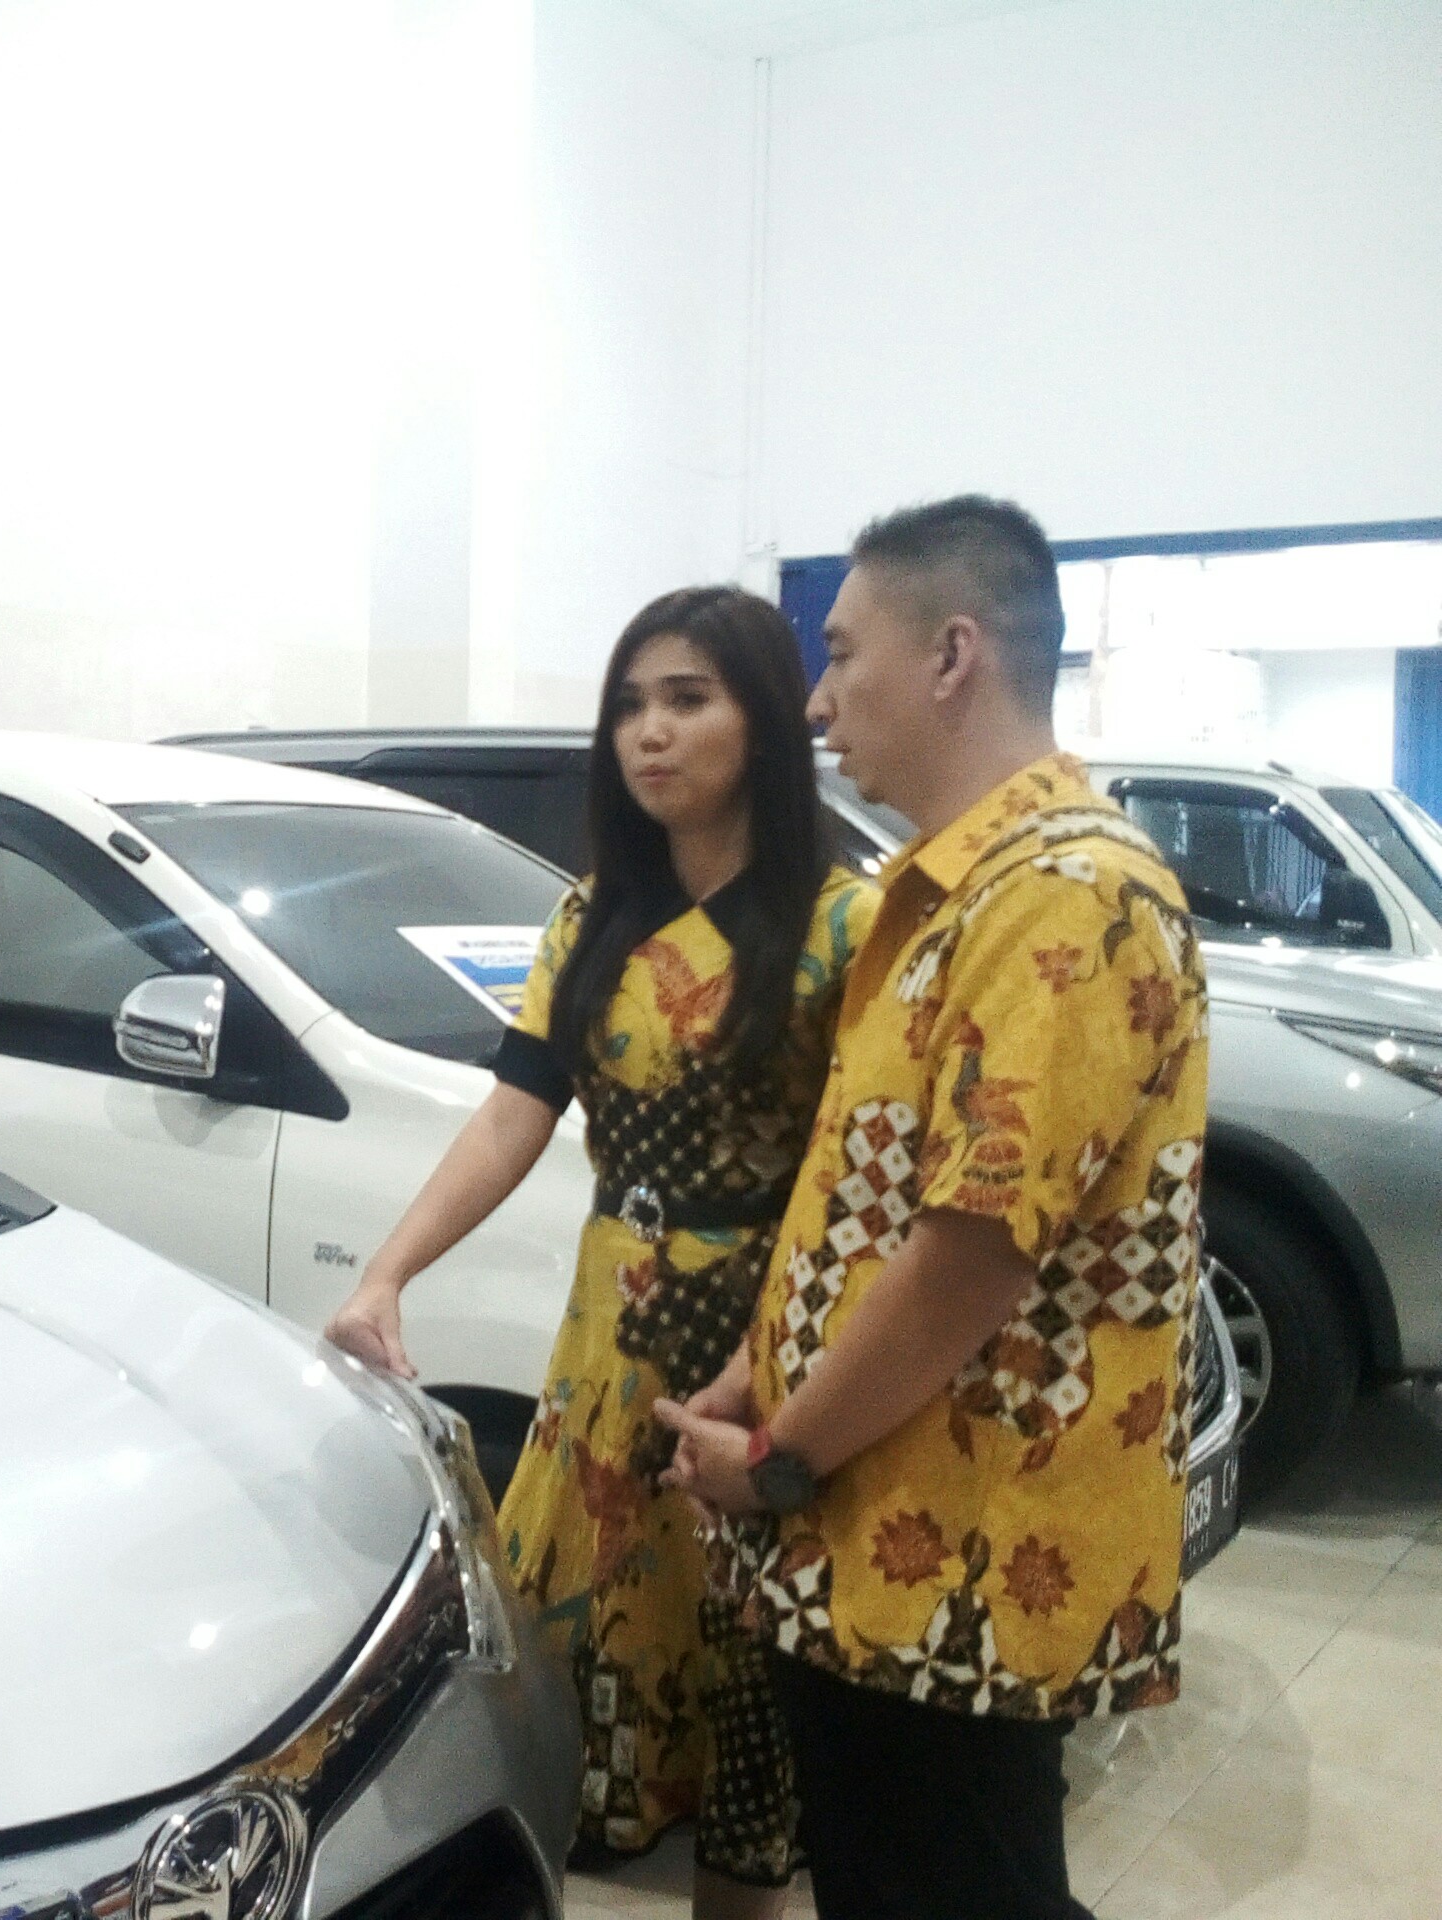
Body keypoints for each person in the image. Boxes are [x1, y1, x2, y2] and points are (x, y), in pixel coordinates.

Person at [656, 498, 1210, 1920]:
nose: (819, 699)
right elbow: (873, 1187)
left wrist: (780, 1458)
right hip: (890, 1534)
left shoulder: (1067, 896)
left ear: (954, 655)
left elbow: (971, 1256)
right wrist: (759, 1369)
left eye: (843, 654)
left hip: (962, 1559)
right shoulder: (959, 891)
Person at [326, 585, 878, 1920]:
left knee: (745, 1703)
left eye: (688, 699)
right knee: (571, 1675)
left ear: (763, 720)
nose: (650, 732)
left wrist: (786, 1362)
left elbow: (865, 1179)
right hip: (606, 1348)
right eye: (630, 705)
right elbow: (515, 1113)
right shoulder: (593, 916)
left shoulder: (842, 926)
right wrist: (388, 1271)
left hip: (765, 1349)